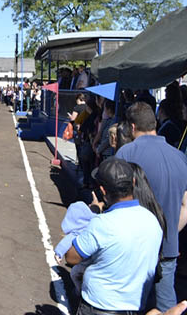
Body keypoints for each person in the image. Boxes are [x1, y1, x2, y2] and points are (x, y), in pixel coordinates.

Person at [65, 158, 163, 313]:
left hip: (100, 304)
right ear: (133, 181)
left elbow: (71, 257)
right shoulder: (152, 220)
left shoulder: (102, 223)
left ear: (103, 190)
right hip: (134, 305)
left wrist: (91, 216)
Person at [116, 102, 187, 312]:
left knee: (132, 301)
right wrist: (170, 231)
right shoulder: (180, 157)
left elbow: (118, 201)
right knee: (166, 303)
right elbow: (186, 205)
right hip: (168, 246)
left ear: (132, 127)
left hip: (136, 246)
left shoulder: (126, 153)